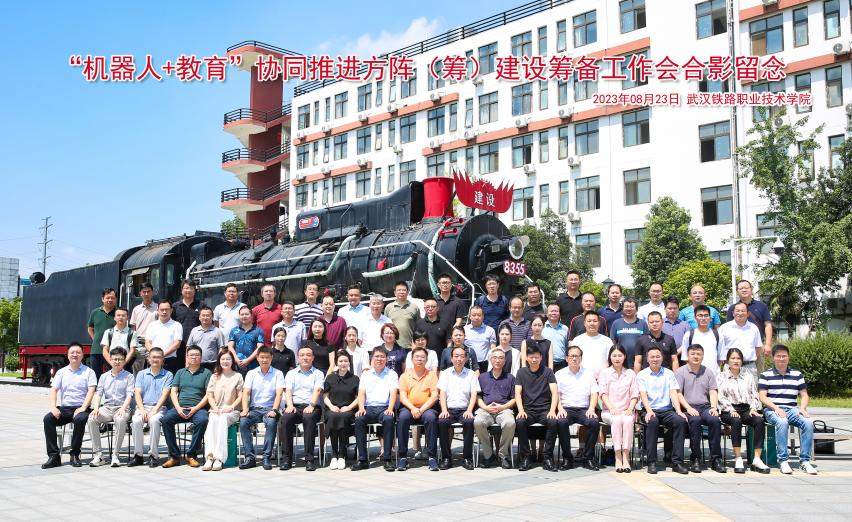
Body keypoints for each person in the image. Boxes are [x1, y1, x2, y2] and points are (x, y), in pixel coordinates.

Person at [759, 345, 817, 475]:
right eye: (778, 356)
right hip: (772, 409)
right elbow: (762, 396)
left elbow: (804, 395)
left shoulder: (797, 375)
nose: (781, 358)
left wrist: (802, 408)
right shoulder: (765, 375)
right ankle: (783, 460)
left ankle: (805, 461)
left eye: (784, 356)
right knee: (782, 421)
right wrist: (776, 408)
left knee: (808, 422)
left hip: (792, 409)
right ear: (773, 358)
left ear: (788, 357)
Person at [42, 343, 96, 469]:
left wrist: (83, 407)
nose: (75, 355)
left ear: (83, 355)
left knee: (80, 419)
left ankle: (75, 454)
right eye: (72, 352)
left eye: (78, 352)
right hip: (65, 409)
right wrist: (53, 407)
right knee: (48, 419)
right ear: (67, 355)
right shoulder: (61, 372)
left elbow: (91, 391)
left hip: (81, 408)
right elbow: (54, 390)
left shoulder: (89, 372)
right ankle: (54, 456)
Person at [716, 348, 769, 474]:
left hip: (746, 409)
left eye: (738, 358)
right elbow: (720, 396)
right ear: (727, 360)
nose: (736, 361)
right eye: (733, 358)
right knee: (736, 420)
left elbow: (754, 394)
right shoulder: (721, 376)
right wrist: (730, 409)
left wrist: (753, 408)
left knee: (759, 421)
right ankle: (738, 458)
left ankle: (757, 459)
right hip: (728, 410)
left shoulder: (748, 375)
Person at [637, 346, 689, 474]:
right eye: (652, 357)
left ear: (662, 358)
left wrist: (678, 410)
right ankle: (651, 462)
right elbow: (643, 395)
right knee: (652, 422)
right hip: (649, 409)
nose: (655, 359)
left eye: (657, 356)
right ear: (647, 359)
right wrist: (649, 411)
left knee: (680, 421)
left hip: (667, 410)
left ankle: (677, 462)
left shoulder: (669, 373)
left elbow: (673, 393)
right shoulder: (642, 374)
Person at [675, 344, 725, 473]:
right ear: (687, 356)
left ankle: (716, 459)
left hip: (705, 407)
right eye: (693, 354)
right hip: (688, 407)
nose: (696, 356)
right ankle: (695, 458)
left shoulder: (708, 372)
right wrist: (688, 408)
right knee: (695, 421)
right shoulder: (680, 372)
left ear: (702, 356)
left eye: (698, 354)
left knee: (715, 420)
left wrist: (713, 407)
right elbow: (678, 393)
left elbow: (713, 391)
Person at [161, 345, 212, 468]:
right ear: (187, 357)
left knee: (203, 420)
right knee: (166, 420)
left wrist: (196, 408)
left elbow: (208, 394)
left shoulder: (206, 373)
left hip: (198, 408)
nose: (194, 357)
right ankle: (174, 456)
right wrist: (178, 408)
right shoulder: (180, 372)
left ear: (201, 357)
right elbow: (173, 391)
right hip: (181, 407)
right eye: (191, 355)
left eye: (197, 355)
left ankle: (191, 455)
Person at [553, 346, 601, 471]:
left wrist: (591, 408)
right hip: (566, 408)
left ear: (581, 358)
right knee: (561, 422)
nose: (574, 358)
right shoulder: (559, 374)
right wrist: (560, 408)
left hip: (584, 409)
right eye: (572, 356)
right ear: (566, 358)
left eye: (577, 356)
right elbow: (556, 394)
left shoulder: (589, 374)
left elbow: (594, 393)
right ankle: (567, 458)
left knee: (594, 422)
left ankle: (588, 457)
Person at [352, 347, 399, 471]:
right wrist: (361, 408)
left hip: (384, 408)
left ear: (387, 359)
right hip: (368, 408)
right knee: (359, 419)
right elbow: (361, 393)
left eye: (382, 356)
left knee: (389, 419)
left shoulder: (392, 374)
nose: (379, 359)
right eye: (377, 356)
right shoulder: (366, 374)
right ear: (372, 359)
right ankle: (362, 459)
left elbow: (393, 393)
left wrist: (390, 408)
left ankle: (387, 459)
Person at [87, 347, 135, 467]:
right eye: (115, 359)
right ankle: (99, 455)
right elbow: (99, 393)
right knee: (92, 419)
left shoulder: (129, 376)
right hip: (107, 408)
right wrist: (96, 408)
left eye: (120, 359)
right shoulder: (104, 376)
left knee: (120, 420)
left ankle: (115, 455)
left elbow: (130, 394)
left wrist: (123, 408)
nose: (117, 362)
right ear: (110, 360)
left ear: (124, 360)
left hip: (123, 407)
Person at [240, 346, 284, 470]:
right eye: (262, 357)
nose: (264, 360)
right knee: (243, 422)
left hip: (270, 409)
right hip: (254, 409)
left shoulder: (278, 373)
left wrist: (274, 410)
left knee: (271, 422)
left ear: (271, 358)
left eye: (267, 357)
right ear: (257, 358)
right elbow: (246, 393)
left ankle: (266, 457)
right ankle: (250, 457)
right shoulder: (251, 373)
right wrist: (245, 409)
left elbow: (279, 393)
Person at [515, 345, 558, 471]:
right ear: (526, 358)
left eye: (536, 357)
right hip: (528, 410)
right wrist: (521, 410)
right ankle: (526, 457)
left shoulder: (548, 372)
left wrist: (552, 410)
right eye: (531, 357)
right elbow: (517, 393)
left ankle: (547, 457)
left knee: (553, 422)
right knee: (520, 421)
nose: (534, 360)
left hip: (544, 410)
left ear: (541, 358)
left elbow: (555, 392)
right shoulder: (521, 372)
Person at [397, 346, 440, 471]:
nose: (419, 359)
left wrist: (421, 409)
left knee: (431, 418)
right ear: (412, 359)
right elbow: (403, 397)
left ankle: (432, 457)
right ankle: (403, 457)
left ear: (426, 360)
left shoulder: (432, 375)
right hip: (409, 408)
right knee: (403, 418)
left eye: (422, 357)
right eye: (417, 357)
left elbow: (434, 396)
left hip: (427, 408)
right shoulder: (405, 376)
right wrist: (412, 408)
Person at [437, 345, 480, 470]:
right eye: (456, 356)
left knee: (469, 421)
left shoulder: (471, 374)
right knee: (442, 421)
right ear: (451, 358)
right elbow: (442, 393)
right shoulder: (445, 373)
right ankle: (446, 457)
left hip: (464, 409)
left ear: (466, 359)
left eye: (462, 356)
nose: (459, 359)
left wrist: (469, 410)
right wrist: (444, 410)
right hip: (449, 409)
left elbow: (474, 394)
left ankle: (467, 458)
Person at [130, 347, 173, 468]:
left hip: (159, 408)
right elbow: (137, 393)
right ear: (148, 359)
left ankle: (153, 455)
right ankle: (138, 455)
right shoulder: (141, 374)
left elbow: (165, 394)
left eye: (159, 357)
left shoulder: (168, 375)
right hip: (142, 407)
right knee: (136, 420)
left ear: (163, 360)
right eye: (153, 357)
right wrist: (142, 409)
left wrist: (154, 410)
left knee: (154, 421)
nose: (156, 359)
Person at [474, 348, 516, 469]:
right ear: (490, 360)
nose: (498, 360)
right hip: (486, 409)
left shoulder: (510, 378)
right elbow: (478, 397)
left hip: (504, 409)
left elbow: (514, 399)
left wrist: (502, 407)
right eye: (495, 358)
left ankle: (503, 455)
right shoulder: (482, 377)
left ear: (504, 361)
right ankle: (488, 455)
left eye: (501, 358)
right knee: (477, 422)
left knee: (510, 423)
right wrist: (485, 407)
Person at [599, 345, 638, 473]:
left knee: (627, 420)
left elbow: (634, 394)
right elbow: (603, 394)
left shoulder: (630, 373)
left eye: (620, 355)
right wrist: (611, 408)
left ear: (624, 357)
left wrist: (630, 409)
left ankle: (626, 456)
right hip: (609, 412)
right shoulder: (604, 373)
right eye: (614, 355)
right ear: (610, 357)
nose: (617, 358)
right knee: (616, 420)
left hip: (626, 410)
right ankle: (618, 456)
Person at [203, 351, 244, 471]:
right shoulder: (214, 376)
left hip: (232, 410)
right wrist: (215, 407)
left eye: (228, 359)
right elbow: (210, 395)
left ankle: (219, 458)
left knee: (221, 420)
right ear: (219, 361)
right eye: (223, 359)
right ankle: (209, 457)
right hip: (216, 409)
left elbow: (241, 396)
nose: (225, 361)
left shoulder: (237, 376)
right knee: (212, 420)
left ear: (232, 361)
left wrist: (231, 407)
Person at [324, 350, 360, 470]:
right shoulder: (330, 378)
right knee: (333, 416)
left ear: (349, 363)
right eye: (340, 361)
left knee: (343, 417)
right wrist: (331, 407)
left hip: (348, 410)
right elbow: (325, 397)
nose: (343, 363)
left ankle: (342, 455)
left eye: (345, 361)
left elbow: (358, 398)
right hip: (332, 408)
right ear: (336, 363)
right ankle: (334, 455)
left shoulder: (355, 378)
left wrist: (349, 407)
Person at [726, 279, 773, 355]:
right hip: (737, 346)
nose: (744, 290)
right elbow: (728, 328)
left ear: (751, 289)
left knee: (758, 363)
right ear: (737, 291)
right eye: (741, 288)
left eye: (746, 288)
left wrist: (768, 344)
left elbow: (768, 325)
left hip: (758, 345)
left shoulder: (762, 306)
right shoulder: (733, 308)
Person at [718, 302, 763, 380]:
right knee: (729, 388)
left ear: (748, 313)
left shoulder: (754, 328)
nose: (740, 313)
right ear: (733, 313)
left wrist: (748, 359)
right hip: (729, 367)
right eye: (737, 311)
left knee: (751, 388)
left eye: (743, 311)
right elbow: (719, 347)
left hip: (749, 367)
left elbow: (758, 347)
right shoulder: (724, 328)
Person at [145, 300, 184, 376]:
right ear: (157, 310)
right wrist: (156, 355)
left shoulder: (177, 325)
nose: (164, 312)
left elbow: (177, 344)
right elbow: (147, 343)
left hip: (170, 360)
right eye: (162, 310)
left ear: (171, 310)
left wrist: (161, 356)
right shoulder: (152, 325)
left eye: (167, 309)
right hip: (153, 360)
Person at [679, 305, 721, 374]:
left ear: (710, 318)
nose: (703, 318)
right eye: (700, 315)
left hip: (714, 375)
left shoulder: (718, 335)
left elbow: (720, 358)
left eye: (706, 315)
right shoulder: (688, 335)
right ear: (695, 318)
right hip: (694, 375)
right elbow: (686, 358)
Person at [571, 311, 612, 377]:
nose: (592, 323)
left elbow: (611, 360)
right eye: (589, 321)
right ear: (584, 323)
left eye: (595, 321)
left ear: (599, 323)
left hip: (603, 378)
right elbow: (573, 359)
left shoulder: (607, 341)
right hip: (582, 377)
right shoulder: (577, 340)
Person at [172, 280, 201, 370]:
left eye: (191, 288)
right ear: (181, 290)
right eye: (186, 288)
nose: (188, 290)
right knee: (179, 369)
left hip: (196, 344)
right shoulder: (175, 306)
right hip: (179, 344)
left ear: (195, 291)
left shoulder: (201, 305)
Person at [87, 287, 117, 378]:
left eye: (112, 298)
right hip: (96, 349)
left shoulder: (118, 313)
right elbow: (90, 329)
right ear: (102, 299)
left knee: (112, 374)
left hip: (113, 350)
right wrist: (96, 340)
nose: (110, 300)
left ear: (115, 299)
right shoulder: (95, 312)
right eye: (107, 298)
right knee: (95, 375)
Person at [187, 305, 226, 372]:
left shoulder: (217, 331)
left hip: (212, 365)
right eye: (203, 315)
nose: (205, 317)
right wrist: (187, 362)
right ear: (199, 317)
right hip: (195, 363)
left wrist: (218, 364)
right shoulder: (194, 330)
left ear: (212, 317)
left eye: (208, 315)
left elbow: (221, 349)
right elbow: (189, 347)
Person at [609, 298, 648, 365]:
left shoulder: (643, 323)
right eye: (626, 307)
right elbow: (613, 342)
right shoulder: (616, 323)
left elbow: (646, 343)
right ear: (622, 308)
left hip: (639, 362)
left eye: (632, 307)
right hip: (621, 362)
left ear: (636, 309)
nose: (629, 309)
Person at [130, 282, 157, 374]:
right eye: (144, 292)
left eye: (148, 291)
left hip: (153, 343)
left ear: (152, 293)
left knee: (153, 369)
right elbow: (133, 328)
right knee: (136, 370)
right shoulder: (136, 309)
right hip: (139, 344)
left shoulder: (158, 308)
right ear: (140, 293)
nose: (146, 294)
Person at [384, 281, 420, 349]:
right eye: (399, 290)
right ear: (395, 293)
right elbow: (385, 327)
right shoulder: (389, 308)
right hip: (393, 347)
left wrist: (416, 344)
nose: (401, 292)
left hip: (410, 346)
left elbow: (418, 327)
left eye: (404, 290)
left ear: (407, 292)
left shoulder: (414, 307)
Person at [229, 305, 265, 373]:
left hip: (253, 366)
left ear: (251, 316)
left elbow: (260, 347)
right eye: (242, 314)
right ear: (239, 316)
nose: (244, 316)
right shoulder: (234, 331)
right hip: (236, 365)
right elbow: (230, 346)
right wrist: (236, 359)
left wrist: (248, 360)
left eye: (246, 314)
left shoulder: (258, 331)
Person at [463, 306, 495, 373]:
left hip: (485, 364)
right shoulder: (464, 330)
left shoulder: (490, 330)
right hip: (468, 363)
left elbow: (493, 348)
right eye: (474, 315)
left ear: (483, 316)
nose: (476, 317)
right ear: (469, 316)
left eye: (479, 315)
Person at [542, 304, 569, 371]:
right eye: (551, 311)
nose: (554, 313)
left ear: (559, 314)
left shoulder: (565, 329)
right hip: (545, 363)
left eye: (556, 311)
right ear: (547, 314)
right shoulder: (542, 328)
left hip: (562, 364)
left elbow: (567, 346)